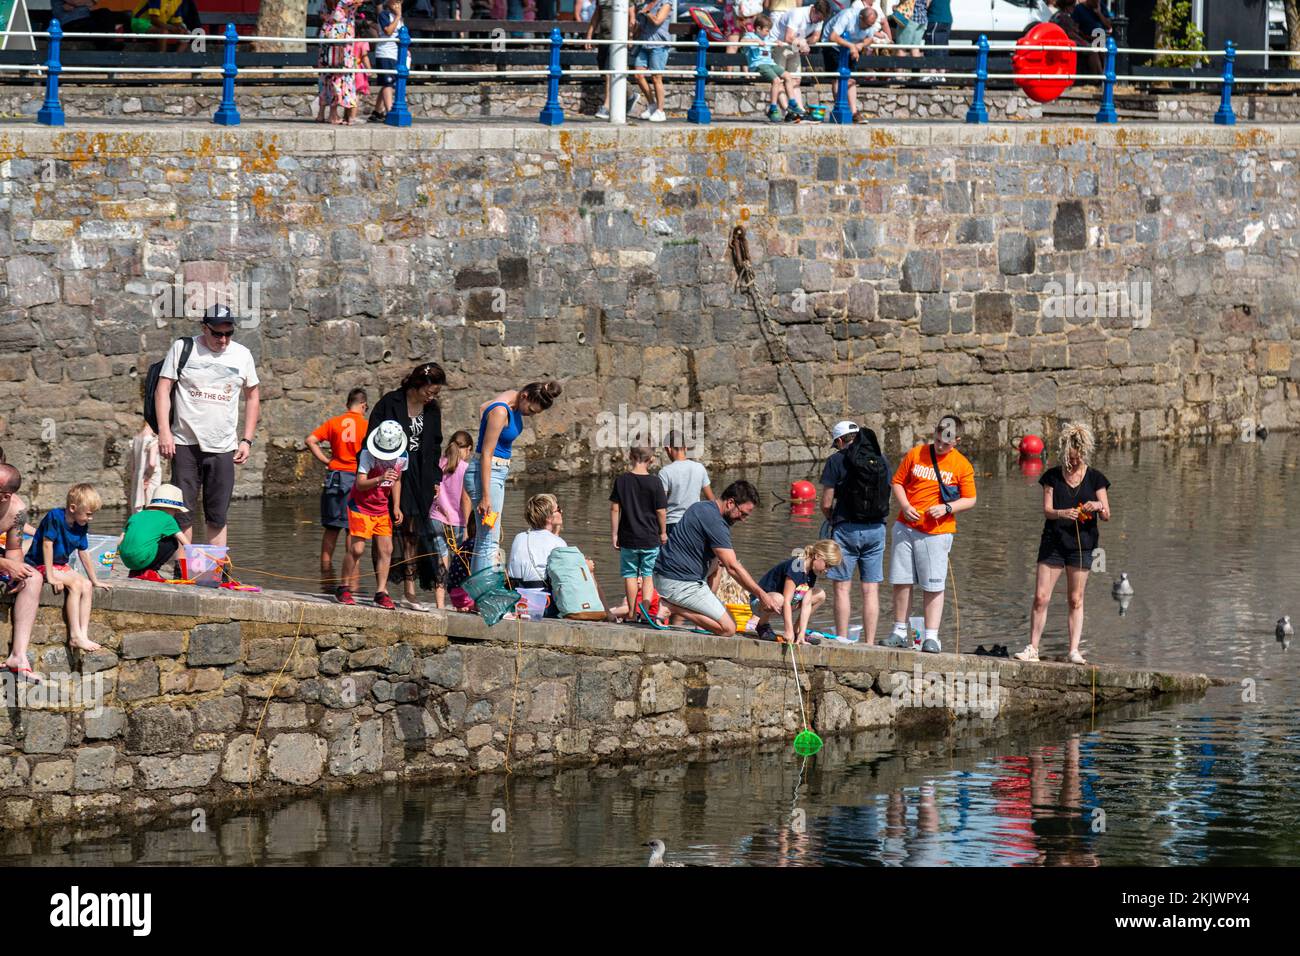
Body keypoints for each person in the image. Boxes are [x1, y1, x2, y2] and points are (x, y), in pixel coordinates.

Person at [154, 303, 260, 553]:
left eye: (228, 333)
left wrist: (247, 440)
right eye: (217, 333)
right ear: (205, 328)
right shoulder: (183, 348)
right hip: (184, 442)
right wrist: (164, 432)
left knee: (217, 513)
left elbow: (253, 395)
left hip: (223, 445)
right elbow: (162, 389)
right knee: (182, 512)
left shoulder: (242, 355)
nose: (223, 340)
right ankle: (184, 570)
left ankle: (216, 571)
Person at [1015, 423, 1111, 665]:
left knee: (1075, 598)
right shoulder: (1052, 476)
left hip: (1083, 545)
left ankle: (1074, 650)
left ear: (1084, 453)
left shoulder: (1096, 478)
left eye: (1077, 457)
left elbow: (1107, 513)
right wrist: (1062, 513)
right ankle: (1032, 648)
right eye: (1069, 456)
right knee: (1040, 597)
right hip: (1053, 543)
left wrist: (1096, 506)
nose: (1072, 461)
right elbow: (1047, 511)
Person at [883, 415, 977, 654]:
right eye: (937, 440)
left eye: (946, 443)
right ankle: (899, 631)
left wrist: (947, 508)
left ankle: (931, 637)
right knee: (901, 580)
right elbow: (897, 482)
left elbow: (970, 499)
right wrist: (904, 506)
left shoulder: (962, 465)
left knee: (933, 584)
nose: (940, 446)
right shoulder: (916, 454)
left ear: (956, 440)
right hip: (906, 527)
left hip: (937, 532)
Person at [652, 481, 779, 636]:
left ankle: (686, 605)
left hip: (664, 576)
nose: (743, 519)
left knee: (718, 563)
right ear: (730, 502)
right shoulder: (715, 522)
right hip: (679, 583)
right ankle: (671, 607)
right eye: (743, 513)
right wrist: (762, 594)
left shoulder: (701, 507)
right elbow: (733, 567)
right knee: (729, 629)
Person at [367, 364, 444, 610]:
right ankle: (382, 588)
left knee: (413, 532)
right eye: (429, 391)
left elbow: (434, 446)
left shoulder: (432, 409)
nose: (431, 396)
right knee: (388, 529)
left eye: (435, 392)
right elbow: (371, 439)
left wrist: (435, 479)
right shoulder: (390, 403)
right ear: (417, 384)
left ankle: (410, 590)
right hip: (391, 471)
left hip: (420, 476)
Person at [465, 381, 562, 574]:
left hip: (496, 474)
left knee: (486, 538)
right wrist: (485, 496)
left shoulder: (512, 398)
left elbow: (483, 407)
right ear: (525, 396)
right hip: (488, 473)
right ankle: (485, 594)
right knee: (489, 540)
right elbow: (486, 453)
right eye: (532, 411)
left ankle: (478, 594)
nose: (530, 415)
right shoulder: (502, 411)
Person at [820, 419, 891, 645]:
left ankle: (842, 640)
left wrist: (832, 519)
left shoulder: (835, 461)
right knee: (870, 590)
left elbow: (826, 502)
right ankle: (869, 643)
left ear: (840, 441)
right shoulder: (881, 460)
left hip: (846, 529)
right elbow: (886, 495)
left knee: (842, 588)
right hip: (876, 528)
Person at [24, 484, 110, 657]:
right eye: (88, 514)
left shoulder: (81, 524)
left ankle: (83, 634)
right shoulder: (55, 517)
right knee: (75, 585)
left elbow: (84, 552)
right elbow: (47, 545)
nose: (90, 518)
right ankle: (74, 635)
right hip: (40, 564)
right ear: (73, 508)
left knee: (85, 585)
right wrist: (50, 576)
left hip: (60, 565)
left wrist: (94, 580)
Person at [337, 420, 408, 609]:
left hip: (382, 508)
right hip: (360, 507)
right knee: (357, 549)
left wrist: (397, 506)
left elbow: (398, 480)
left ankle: (380, 592)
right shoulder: (368, 455)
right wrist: (379, 478)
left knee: (387, 550)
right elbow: (360, 483)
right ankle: (343, 588)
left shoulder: (402, 456)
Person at [307, 387, 369, 589]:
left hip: (335, 477)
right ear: (363, 405)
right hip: (357, 480)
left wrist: (327, 460)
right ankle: (352, 583)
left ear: (347, 405)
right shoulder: (366, 426)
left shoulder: (334, 422)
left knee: (332, 528)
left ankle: (326, 575)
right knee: (354, 530)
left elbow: (311, 440)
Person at [610, 446, 668, 623]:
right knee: (648, 575)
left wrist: (614, 534)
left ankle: (631, 614)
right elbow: (661, 511)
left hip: (628, 537)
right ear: (651, 459)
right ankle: (644, 613)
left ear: (630, 456)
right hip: (650, 537)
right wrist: (663, 532)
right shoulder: (655, 482)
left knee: (630, 575)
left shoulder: (621, 480)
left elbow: (614, 508)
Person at [752, 539, 842, 645]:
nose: (827, 570)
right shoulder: (796, 566)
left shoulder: (812, 572)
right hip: (761, 603)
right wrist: (787, 630)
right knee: (780, 599)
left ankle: (797, 631)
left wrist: (801, 634)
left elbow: (807, 603)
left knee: (820, 594)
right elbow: (786, 601)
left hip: (782, 605)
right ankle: (762, 625)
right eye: (827, 565)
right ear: (817, 556)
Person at [0, 463, 41, 684]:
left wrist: (16, 572)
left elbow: (14, 548)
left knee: (33, 578)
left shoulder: (17, 511)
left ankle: (18, 655)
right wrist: (7, 564)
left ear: (6, 496)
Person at [429, 430, 474, 609]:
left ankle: (440, 606)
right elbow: (465, 498)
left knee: (442, 563)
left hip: (436, 518)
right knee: (459, 566)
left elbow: (433, 491)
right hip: (456, 523)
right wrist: (467, 526)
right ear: (468, 449)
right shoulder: (466, 468)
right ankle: (460, 605)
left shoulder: (439, 464)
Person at [824, 1, 888, 122]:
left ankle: (854, 112)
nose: (869, 27)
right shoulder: (847, 16)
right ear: (861, 18)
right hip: (833, 46)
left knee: (851, 79)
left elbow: (870, 38)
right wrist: (852, 46)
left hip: (850, 46)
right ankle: (839, 108)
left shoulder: (869, 24)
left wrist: (861, 44)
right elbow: (833, 37)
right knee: (838, 78)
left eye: (871, 25)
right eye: (867, 24)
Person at [506, 493, 569, 615]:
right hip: (543, 604)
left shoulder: (519, 537)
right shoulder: (558, 543)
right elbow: (564, 581)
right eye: (558, 509)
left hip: (517, 601)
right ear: (549, 518)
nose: (562, 511)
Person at [770, 0, 834, 118]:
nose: (819, 21)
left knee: (795, 80)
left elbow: (815, 37)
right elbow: (788, 37)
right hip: (780, 44)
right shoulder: (797, 14)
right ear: (813, 10)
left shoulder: (819, 17)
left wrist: (804, 42)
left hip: (793, 47)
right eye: (818, 18)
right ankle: (788, 111)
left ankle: (799, 111)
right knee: (780, 80)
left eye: (821, 20)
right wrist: (801, 44)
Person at [119, 483, 190, 583]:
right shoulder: (168, 519)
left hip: (127, 561)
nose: (175, 514)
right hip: (142, 559)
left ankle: (136, 572)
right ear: (171, 508)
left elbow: (121, 539)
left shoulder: (137, 515)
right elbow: (186, 543)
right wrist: (199, 553)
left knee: (147, 542)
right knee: (172, 541)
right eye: (176, 511)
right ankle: (150, 571)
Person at [744, 13, 801, 123]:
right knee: (776, 80)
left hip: (770, 63)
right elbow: (742, 42)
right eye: (766, 30)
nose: (768, 33)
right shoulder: (750, 36)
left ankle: (792, 103)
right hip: (759, 65)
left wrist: (777, 42)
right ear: (758, 28)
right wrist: (756, 41)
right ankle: (773, 108)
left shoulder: (768, 37)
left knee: (788, 76)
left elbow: (773, 40)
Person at [587, 0, 638, 120]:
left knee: (609, 73)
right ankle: (631, 95)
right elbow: (597, 16)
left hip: (617, 40)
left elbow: (632, 17)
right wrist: (589, 35)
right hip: (603, 39)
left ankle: (606, 107)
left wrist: (630, 37)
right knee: (605, 74)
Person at [318, 0, 366, 125]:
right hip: (341, 37)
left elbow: (322, 15)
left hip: (326, 35)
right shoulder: (345, 1)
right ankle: (334, 115)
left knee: (325, 76)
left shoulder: (325, 2)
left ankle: (321, 113)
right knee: (340, 75)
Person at [659, 431, 713, 531]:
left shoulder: (665, 472)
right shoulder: (699, 468)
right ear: (686, 448)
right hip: (695, 523)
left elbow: (661, 506)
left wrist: (661, 532)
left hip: (672, 524)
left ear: (668, 449)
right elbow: (711, 500)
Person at [631, 0, 672, 122]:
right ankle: (652, 105)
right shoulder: (644, 4)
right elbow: (640, 27)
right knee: (638, 75)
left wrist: (647, 13)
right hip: (644, 44)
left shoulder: (665, 3)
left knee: (656, 78)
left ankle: (660, 111)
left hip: (659, 45)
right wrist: (633, 29)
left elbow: (657, 21)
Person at [369, 0, 405, 123]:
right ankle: (390, 112)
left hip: (395, 54)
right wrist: (398, 16)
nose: (397, 4)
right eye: (395, 2)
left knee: (389, 83)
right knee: (387, 83)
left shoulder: (399, 18)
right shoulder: (384, 15)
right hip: (385, 53)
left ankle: (377, 111)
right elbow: (388, 31)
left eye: (400, 2)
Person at [128, 422, 161, 513]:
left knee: (138, 508)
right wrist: (147, 478)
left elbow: (133, 466)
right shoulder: (152, 439)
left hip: (138, 476)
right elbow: (152, 463)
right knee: (152, 506)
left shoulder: (136, 438)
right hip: (151, 477)